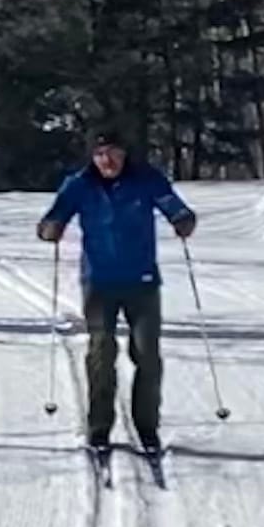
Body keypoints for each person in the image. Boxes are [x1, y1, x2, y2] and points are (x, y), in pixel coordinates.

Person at [38, 128, 196, 458]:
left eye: (112, 152)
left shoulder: (145, 179)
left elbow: (171, 203)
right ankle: (99, 429)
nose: (106, 160)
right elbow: (56, 215)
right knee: (101, 353)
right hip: (99, 282)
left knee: (147, 355)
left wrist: (182, 219)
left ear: (125, 153)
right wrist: (50, 228)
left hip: (142, 281)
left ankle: (147, 426)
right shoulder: (80, 184)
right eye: (99, 154)